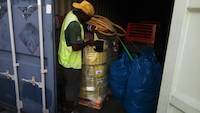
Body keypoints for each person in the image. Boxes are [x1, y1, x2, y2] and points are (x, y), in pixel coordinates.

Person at [58, 1, 95, 113]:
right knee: (72, 88)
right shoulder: (74, 25)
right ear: (83, 14)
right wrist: (88, 42)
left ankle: (65, 106)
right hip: (71, 63)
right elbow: (75, 47)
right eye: (88, 18)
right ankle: (70, 109)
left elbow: (81, 24)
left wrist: (88, 27)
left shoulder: (72, 14)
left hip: (64, 59)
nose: (88, 20)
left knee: (66, 86)